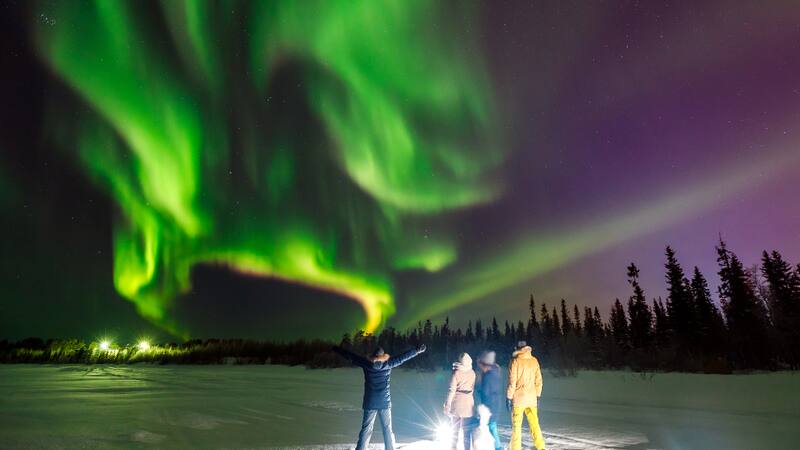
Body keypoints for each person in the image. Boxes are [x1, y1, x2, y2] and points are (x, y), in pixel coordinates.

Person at [333, 344, 426, 450]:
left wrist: (338, 349)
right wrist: (416, 350)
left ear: (373, 355)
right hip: (384, 402)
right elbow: (403, 357)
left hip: (370, 402)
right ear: (383, 356)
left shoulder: (366, 363)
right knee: (387, 429)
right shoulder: (389, 363)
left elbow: (351, 356)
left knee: (366, 429)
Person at [506, 341, 546, 450]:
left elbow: (512, 383)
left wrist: (509, 397)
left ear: (517, 349)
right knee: (535, 424)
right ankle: (541, 447)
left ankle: (515, 448)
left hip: (518, 399)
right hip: (532, 399)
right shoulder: (534, 361)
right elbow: (539, 381)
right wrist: (538, 396)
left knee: (517, 427)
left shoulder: (515, 362)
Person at [444, 352, 476, 450]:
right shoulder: (472, 373)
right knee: (467, 432)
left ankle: (453, 448)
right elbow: (472, 388)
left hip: (457, 405)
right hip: (468, 404)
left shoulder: (456, 372)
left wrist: (447, 404)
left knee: (455, 430)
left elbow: (452, 389)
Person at [476, 350, 503, 450]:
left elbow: (485, 392)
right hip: (494, 404)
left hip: (490, 406)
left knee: (490, 427)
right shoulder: (495, 372)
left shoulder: (488, 376)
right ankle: (496, 447)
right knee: (492, 426)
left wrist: (483, 409)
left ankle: (497, 447)